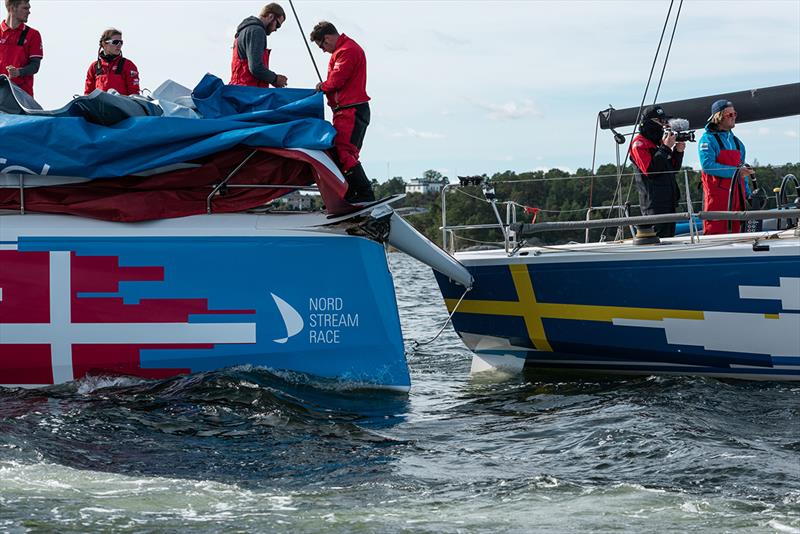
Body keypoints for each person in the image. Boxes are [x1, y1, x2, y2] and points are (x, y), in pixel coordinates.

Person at [310, 21, 374, 203]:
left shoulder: (348, 51)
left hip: (351, 111)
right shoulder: (343, 50)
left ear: (328, 37)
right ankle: (353, 194)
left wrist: (322, 87)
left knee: (343, 152)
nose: (323, 50)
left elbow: (336, 81)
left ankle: (364, 194)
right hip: (346, 111)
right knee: (342, 152)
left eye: (322, 45)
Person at [629, 105, 685, 238]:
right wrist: (666, 148)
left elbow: (673, 169)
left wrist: (678, 151)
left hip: (668, 201)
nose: (664, 125)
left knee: (669, 238)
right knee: (659, 240)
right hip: (654, 204)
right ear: (650, 122)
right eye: (661, 121)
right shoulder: (639, 144)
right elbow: (651, 171)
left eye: (664, 121)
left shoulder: (658, 143)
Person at [698, 99, 753, 235]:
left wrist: (748, 195)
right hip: (717, 200)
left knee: (739, 235)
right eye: (729, 115)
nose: (733, 117)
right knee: (714, 233)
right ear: (718, 117)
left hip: (737, 199)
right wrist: (736, 172)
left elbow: (742, 173)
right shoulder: (707, 140)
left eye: (734, 114)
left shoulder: (738, 143)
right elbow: (707, 165)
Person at [230, 3, 287, 88]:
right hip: (249, 94)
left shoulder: (243, 31)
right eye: (277, 25)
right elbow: (255, 67)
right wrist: (275, 79)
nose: (275, 30)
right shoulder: (257, 31)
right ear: (271, 16)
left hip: (238, 90)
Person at [0, 0, 42, 98]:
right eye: (25, 8)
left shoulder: (33, 35)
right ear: (12, 8)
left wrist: (18, 72)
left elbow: (35, 66)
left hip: (22, 98)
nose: (29, 12)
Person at [84, 28, 140, 96]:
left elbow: (134, 94)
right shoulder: (94, 67)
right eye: (115, 42)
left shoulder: (128, 65)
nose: (119, 45)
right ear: (104, 44)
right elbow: (88, 94)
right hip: (99, 106)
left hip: (121, 106)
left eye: (121, 42)